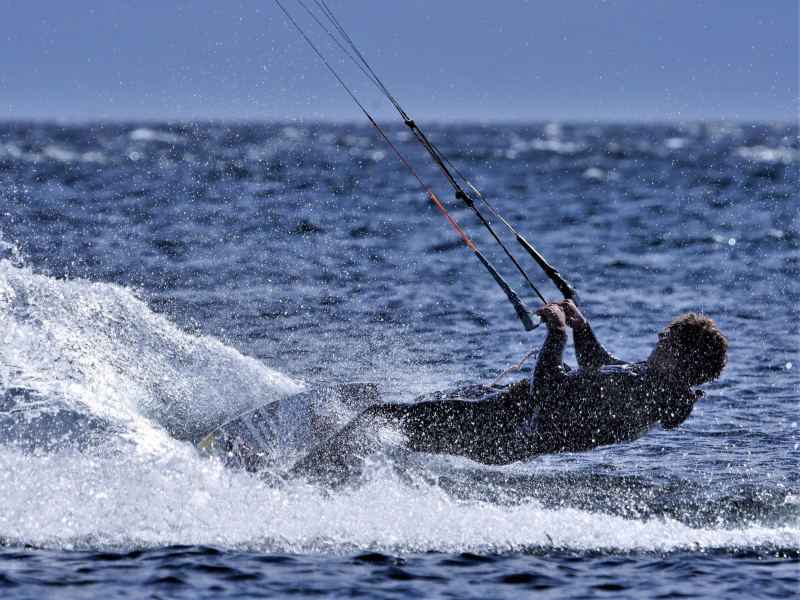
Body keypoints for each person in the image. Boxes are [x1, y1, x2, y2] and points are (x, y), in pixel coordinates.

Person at [292, 300, 728, 476]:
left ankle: (297, 478)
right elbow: (600, 365)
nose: (658, 338)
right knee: (389, 410)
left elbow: (549, 391)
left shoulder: (638, 395)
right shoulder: (651, 391)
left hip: (497, 429)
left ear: (678, 358)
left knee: (378, 418)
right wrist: (581, 326)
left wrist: (556, 336)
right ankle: (326, 447)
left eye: (666, 340)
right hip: (501, 419)